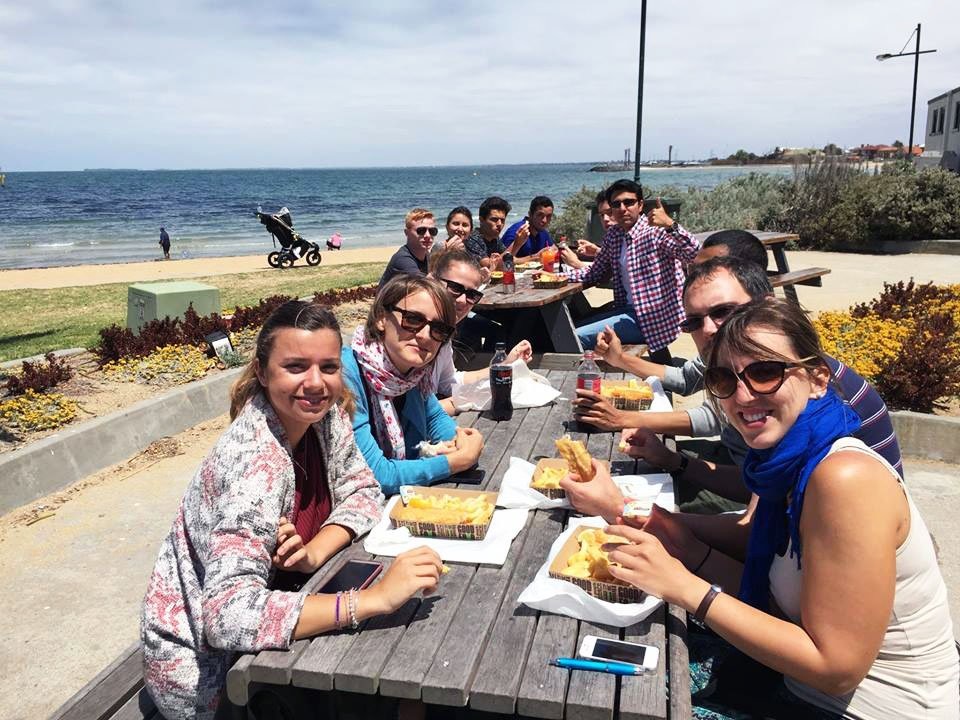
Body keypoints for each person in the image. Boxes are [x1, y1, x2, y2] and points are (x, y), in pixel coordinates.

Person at [601, 297, 959, 718]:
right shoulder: (785, 462)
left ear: (818, 379)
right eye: (724, 380)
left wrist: (684, 586)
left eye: (765, 371)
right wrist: (687, 548)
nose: (744, 394)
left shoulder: (845, 479)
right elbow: (771, 598)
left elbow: (836, 669)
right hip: (797, 687)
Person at [140, 300, 444, 720]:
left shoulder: (325, 417)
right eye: (296, 367)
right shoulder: (255, 464)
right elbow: (228, 617)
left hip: (285, 600)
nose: (315, 383)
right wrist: (371, 600)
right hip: (212, 678)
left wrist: (315, 552)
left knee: (412, 666)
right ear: (263, 373)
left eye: (329, 367)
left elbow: (364, 490)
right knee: (404, 669)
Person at [568, 255, 903, 516]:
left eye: (724, 311)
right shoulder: (749, 361)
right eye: (695, 321)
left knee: (645, 499)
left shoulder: (803, 396)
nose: (710, 330)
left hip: (809, 521)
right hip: (752, 480)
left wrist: (624, 508)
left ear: (767, 303)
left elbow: (751, 520)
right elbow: (692, 387)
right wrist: (672, 461)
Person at [341, 275, 484, 495]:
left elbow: (434, 417)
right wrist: (456, 461)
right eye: (413, 319)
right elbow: (373, 473)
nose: (426, 336)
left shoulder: (414, 374)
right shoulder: (345, 374)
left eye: (439, 329)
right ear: (381, 317)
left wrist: (460, 439)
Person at [561, 179, 699, 356]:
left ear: (640, 205)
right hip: (626, 311)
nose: (622, 208)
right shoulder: (615, 235)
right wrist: (559, 276)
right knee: (571, 327)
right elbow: (595, 272)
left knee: (572, 337)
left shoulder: (655, 232)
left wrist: (670, 224)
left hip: (653, 320)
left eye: (629, 202)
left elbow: (695, 254)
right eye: (616, 204)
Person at [427, 249, 533, 414]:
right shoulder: (415, 334)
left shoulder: (442, 334)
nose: (462, 301)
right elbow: (412, 412)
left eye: (472, 295)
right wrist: (463, 400)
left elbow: (449, 381)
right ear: (431, 281)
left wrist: (505, 365)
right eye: (455, 288)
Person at [378, 208, 438, 287]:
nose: (428, 235)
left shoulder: (426, 255)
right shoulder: (402, 259)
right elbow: (427, 285)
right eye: (421, 231)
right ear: (407, 233)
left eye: (432, 231)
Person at [560, 190, 613, 270]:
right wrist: (597, 251)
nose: (605, 219)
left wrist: (576, 263)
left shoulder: (630, 239)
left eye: (610, 212)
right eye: (602, 215)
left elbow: (605, 276)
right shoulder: (613, 237)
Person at [501, 196, 555, 263]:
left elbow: (554, 249)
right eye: (540, 215)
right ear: (530, 214)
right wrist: (536, 257)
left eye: (548, 216)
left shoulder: (542, 232)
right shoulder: (517, 232)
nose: (544, 220)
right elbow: (503, 260)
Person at [464, 196, 511, 270]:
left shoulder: (494, 238)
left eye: (502, 220)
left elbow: (510, 259)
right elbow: (488, 265)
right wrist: (517, 244)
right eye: (494, 219)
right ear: (481, 220)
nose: (499, 224)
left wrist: (533, 257)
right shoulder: (472, 238)